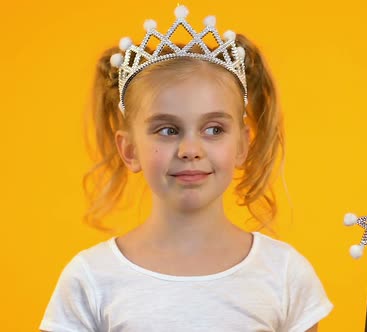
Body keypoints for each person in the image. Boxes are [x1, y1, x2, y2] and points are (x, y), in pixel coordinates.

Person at [39, 5, 333, 331]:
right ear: (130, 150)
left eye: (214, 129)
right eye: (167, 130)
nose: (190, 150)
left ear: (242, 145)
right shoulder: (90, 280)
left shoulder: (286, 275)